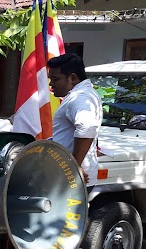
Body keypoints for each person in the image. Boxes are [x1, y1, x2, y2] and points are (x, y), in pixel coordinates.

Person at [47, 53, 102, 188]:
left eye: (55, 79)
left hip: (72, 179)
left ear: (72, 78)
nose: (51, 84)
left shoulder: (80, 98)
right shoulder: (85, 94)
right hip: (70, 175)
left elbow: (87, 129)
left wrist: (74, 167)